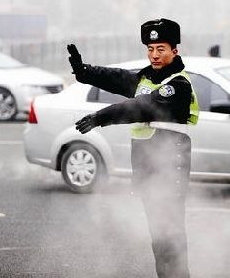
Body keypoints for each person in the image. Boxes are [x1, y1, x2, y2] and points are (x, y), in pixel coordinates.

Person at [67, 18, 199, 278]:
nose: (154, 54)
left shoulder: (178, 85)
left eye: (161, 48)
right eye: (150, 49)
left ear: (175, 50)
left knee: (170, 241)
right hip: (149, 174)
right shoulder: (146, 77)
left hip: (169, 175)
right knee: (159, 241)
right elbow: (115, 77)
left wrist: (99, 118)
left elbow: (141, 107)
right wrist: (83, 71)